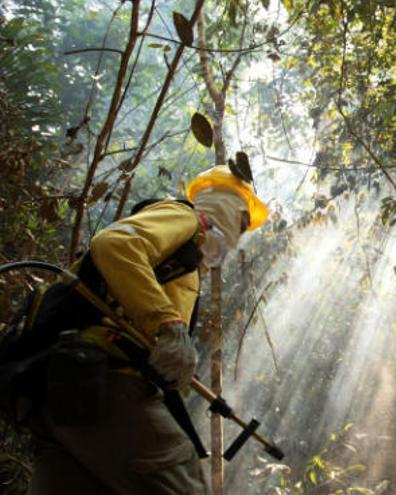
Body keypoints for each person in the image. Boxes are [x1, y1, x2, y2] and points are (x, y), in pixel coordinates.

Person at [27, 165, 268, 495]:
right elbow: (114, 244)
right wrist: (168, 324)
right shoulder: (184, 220)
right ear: (227, 207)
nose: (240, 234)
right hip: (108, 380)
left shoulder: (185, 261)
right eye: (242, 222)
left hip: (65, 386)